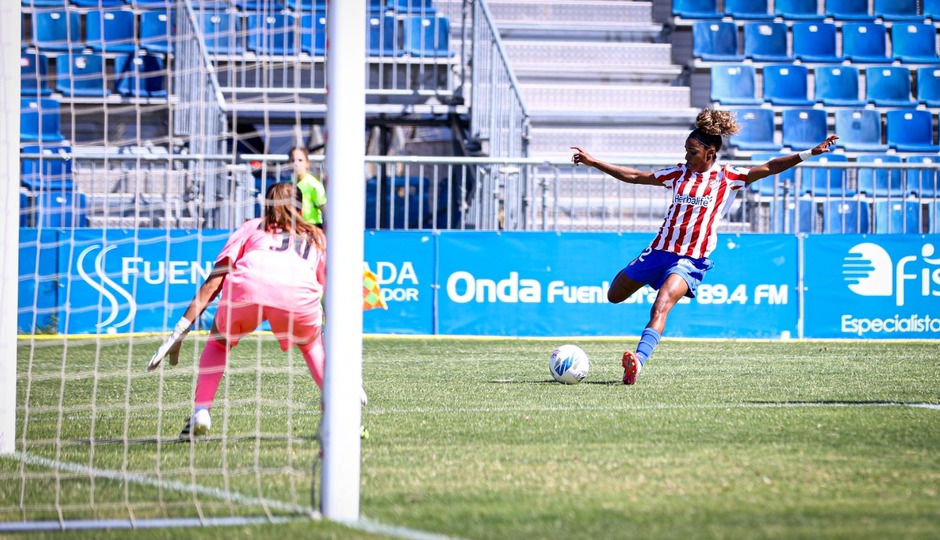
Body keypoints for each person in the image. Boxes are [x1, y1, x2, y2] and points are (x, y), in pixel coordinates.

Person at [570, 108, 839, 385]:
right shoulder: (677, 174)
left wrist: (809, 153)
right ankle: (637, 354)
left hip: (691, 258)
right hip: (659, 251)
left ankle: (637, 361)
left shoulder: (727, 177)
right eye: (686, 151)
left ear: (710, 152)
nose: (687, 156)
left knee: (662, 304)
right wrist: (595, 162)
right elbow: (636, 176)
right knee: (614, 295)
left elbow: (770, 167)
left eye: (692, 152)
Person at [148, 182, 328, 439]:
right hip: (298, 293)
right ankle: (341, 407)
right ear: (302, 208)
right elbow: (331, 290)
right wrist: (344, 369)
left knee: (219, 342)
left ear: (266, 205)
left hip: (248, 286)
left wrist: (178, 333)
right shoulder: (316, 237)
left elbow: (214, 282)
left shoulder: (252, 227)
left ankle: (202, 411)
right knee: (312, 346)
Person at [289, 146, 327, 227]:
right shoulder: (289, 185)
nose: (296, 164)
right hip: (295, 227)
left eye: (300, 160)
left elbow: (324, 208)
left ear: (307, 163)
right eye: (292, 160)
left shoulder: (313, 184)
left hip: (312, 227)